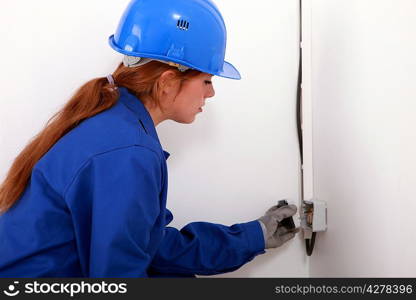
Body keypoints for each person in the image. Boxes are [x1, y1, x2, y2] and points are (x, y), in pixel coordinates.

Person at [0, 0, 300, 277]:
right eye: (207, 80)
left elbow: (149, 245)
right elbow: (120, 277)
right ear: (168, 82)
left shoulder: (118, 126)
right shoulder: (126, 152)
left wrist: (253, 236)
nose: (211, 92)